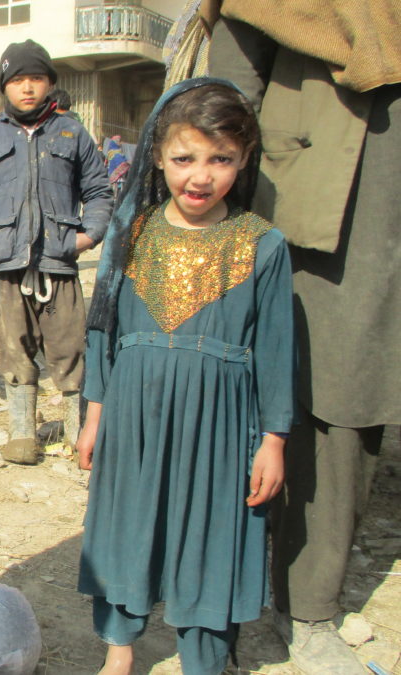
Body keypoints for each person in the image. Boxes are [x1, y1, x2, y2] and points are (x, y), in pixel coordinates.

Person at [76, 78, 295, 675]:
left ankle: (204, 659)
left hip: (222, 424)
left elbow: (276, 350)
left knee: (211, 534)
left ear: (245, 159)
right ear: (157, 155)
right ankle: (120, 651)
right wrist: (95, 414)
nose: (201, 175)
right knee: (127, 524)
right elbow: (103, 330)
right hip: (133, 412)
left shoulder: (263, 245)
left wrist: (273, 439)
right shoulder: (132, 231)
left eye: (221, 158)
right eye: (184, 158)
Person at [208, 4, 400, 672]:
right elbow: (231, 71)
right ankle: (214, 596)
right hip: (316, 174)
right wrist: (217, 178)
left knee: (362, 385)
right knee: (250, 386)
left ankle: (311, 599)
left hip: (386, 182)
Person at [0, 40, 111, 464]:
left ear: (50, 84)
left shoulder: (73, 133)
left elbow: (99, 192)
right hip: (6, 266)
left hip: (59, 263)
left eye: (36, 79)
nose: (27, 88)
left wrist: (87, 237)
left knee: (70, 348)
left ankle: (78, 433)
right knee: (13, 350)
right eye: (17, 80)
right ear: (4, 87)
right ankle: (23, 432)